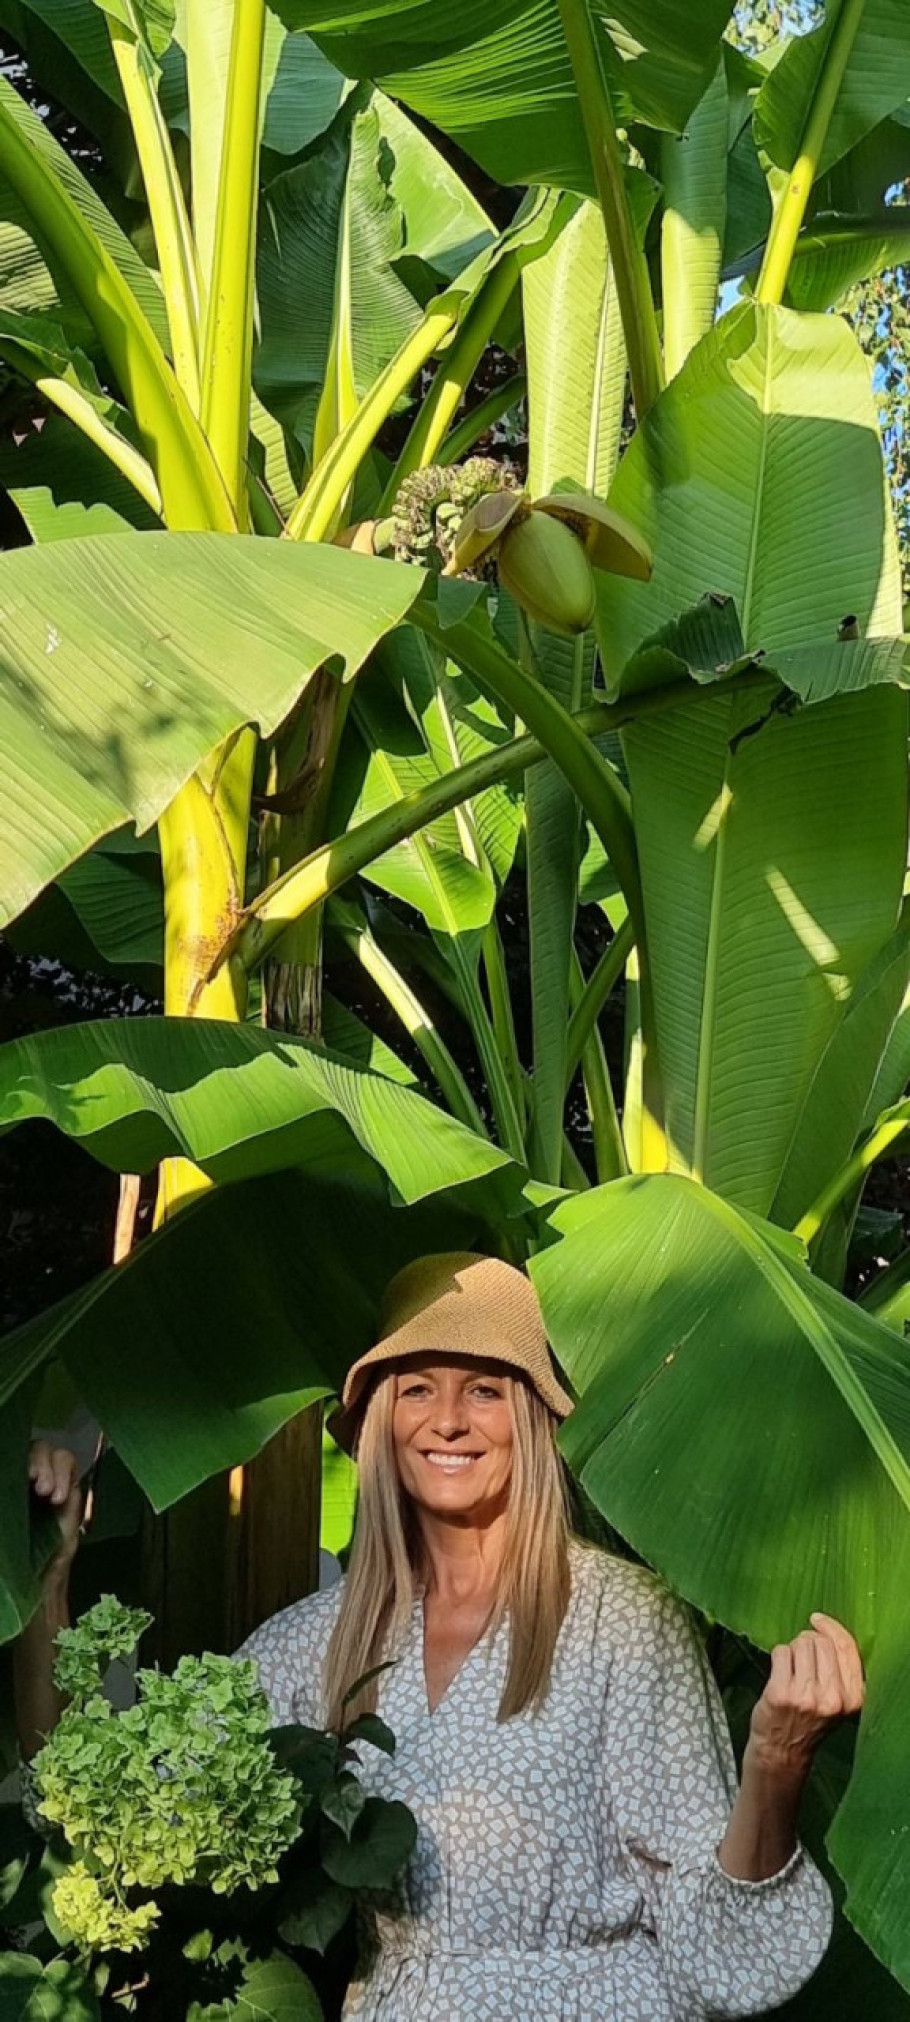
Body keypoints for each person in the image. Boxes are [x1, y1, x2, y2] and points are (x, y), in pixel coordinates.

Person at [17, 1252, 859, 2020]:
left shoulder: (623, 1621)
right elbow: (104, 1810)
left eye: (485, 1390)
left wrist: (777, 1761)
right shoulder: (320, 1641)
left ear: (531, 1419)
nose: (448, 1420)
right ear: (381, 1420)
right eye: (417, 1388)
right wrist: (46, 1580)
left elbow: (722, 1955)